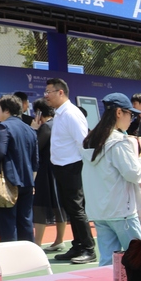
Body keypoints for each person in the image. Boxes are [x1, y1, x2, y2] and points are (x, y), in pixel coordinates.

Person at [80, 93, 141, 266]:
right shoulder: (118, 142)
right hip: (122, 211)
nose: (131, 119)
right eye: (130, 114)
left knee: (108, 261)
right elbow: (134, 173)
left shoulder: (92, 140)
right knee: (140, 258)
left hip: (100, 212)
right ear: (119, 112)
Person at [44, 78, 96, 264]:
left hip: (72, 167)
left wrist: (85, 168)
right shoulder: (60, 113)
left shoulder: (71, 113)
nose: (46, 96)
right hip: (61, 167)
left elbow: (83, 142)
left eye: (49, 92)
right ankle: (78, 246)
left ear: (60, 92)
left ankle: (88, 249)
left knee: (76, 208)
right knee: (70, 209)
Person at [0, 95, 39, 243]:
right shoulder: (30, 129)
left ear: (6, 110)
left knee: (8, 221)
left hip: (8, 181)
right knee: (25, 220)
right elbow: (35, 161)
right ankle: (28, 251)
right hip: (27, 181)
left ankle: (10, 252)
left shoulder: (3, 127)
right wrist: (32, 181)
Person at [31, 101, 67, 251]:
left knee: (40, 205)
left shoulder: (46, 127)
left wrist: (34, 130)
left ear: (39, 112)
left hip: (45, 170)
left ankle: (37, 243)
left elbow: (34, 147)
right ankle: (59, 240)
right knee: (59, 205)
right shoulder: (58, 124)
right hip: (58, 169)